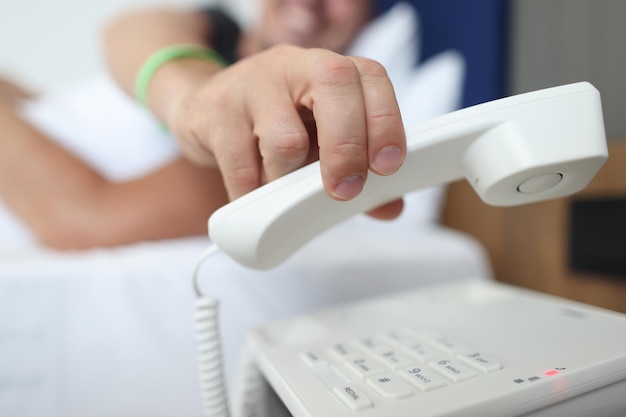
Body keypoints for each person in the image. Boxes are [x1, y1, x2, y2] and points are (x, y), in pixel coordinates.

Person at [0, 0, 407, 250]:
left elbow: (83, 218)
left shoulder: (290, 136)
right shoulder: (215, 29)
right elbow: (128, 28)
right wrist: (192, 99)